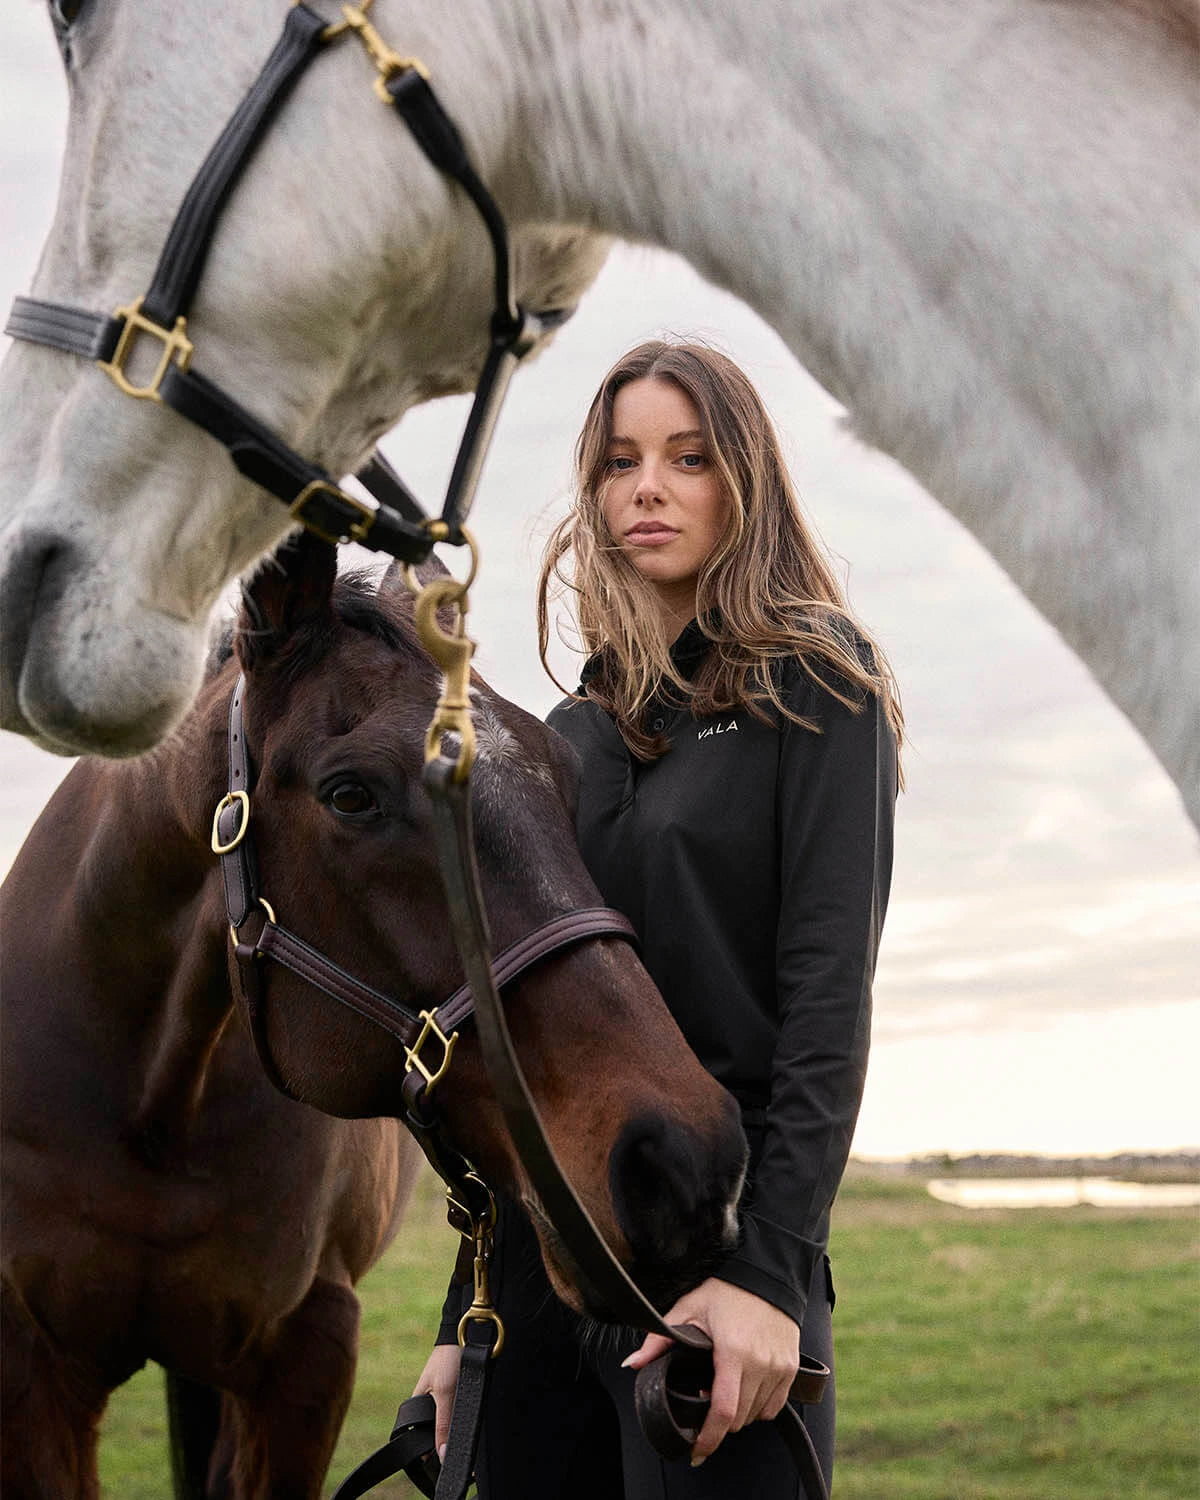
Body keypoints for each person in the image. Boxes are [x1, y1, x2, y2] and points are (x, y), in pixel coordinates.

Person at [415, 340, 901, 1498]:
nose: (648, 487)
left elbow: (829, 1000)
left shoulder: (821, 685)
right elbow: (518, 1042)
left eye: (688, 458)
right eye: (620, 462)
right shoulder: (565, 735)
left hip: (720, 1275)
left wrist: (772, 1279)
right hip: (544, 1283)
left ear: (744, 482)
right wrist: (464, 1317)